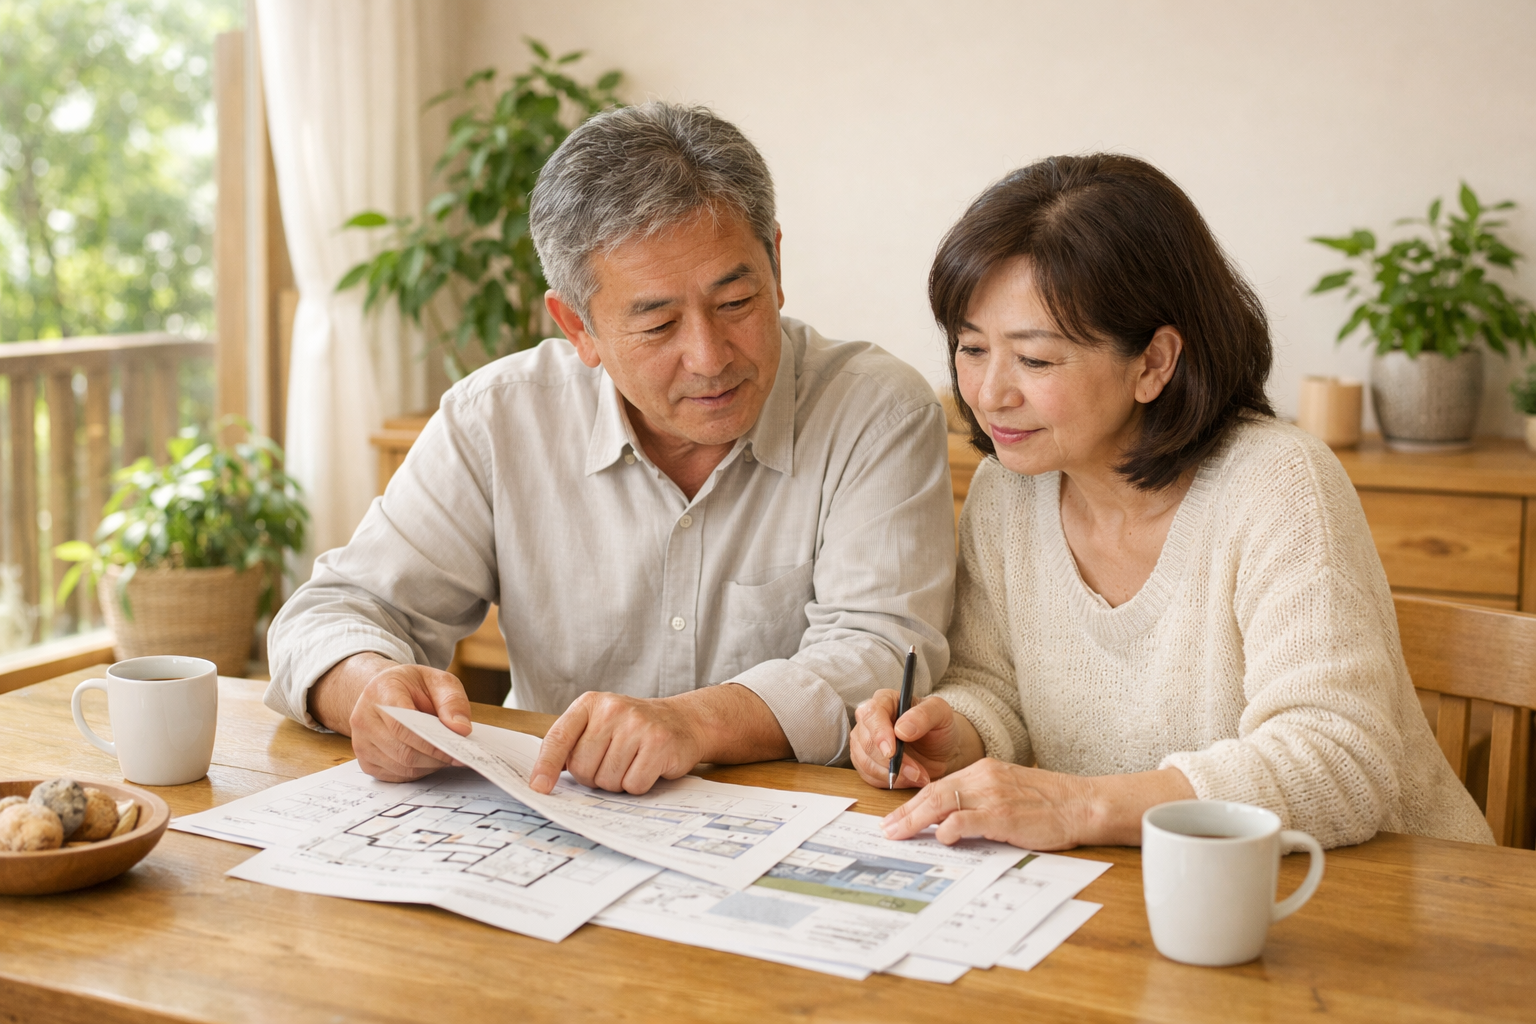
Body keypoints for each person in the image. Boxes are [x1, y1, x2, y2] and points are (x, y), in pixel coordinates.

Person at [265, 102, 956, 793]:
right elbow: (332, 614)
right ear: (578, 326)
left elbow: (879, 650)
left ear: (775, 264)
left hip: (793, 824)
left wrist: (693, 723)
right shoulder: (499, 418)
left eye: (736, 301)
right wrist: (369, 688)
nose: (709, 357)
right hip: (556, 822)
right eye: (657, 324)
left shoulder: (876, 410)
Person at [853, 154, 1493, 850]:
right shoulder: (1009, 489)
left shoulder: (1279, 483)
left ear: (1155, 362)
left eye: (1035, 360)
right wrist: (953, 730)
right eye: (972, 349)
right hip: (1152, 898)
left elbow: (1338, 761)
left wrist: (1081, 806)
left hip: (1385, 904)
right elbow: (994, 684)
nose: (988, 393)